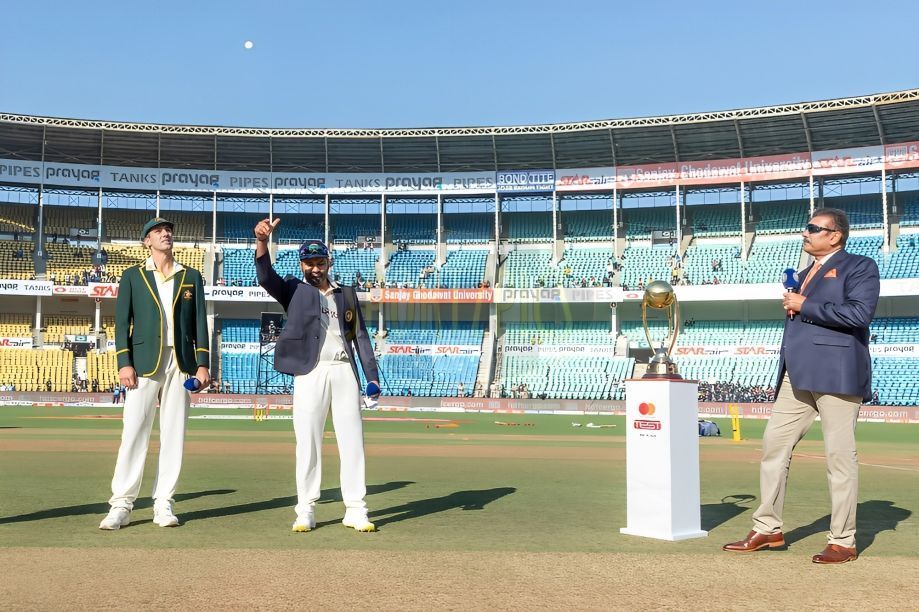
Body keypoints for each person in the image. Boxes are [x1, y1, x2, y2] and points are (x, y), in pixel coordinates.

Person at [723, 208, 880, 564]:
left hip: (838, 374)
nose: (805, 233)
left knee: (839, 457)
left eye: (813, 228)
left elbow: (859, 314)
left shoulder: (860, 266)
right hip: (797, 374)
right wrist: (802, 302)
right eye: (806, 227)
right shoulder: (805, 272)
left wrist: (805, 303)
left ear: (835, 235)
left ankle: (843, 539)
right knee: (773, 447)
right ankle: (767, 528)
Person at [254, 218, 380, 533]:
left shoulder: (347, 294)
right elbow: (265, 276)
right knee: (307, 442)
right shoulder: (292, 289)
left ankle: (355, 509)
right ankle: (306, 509)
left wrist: (371, 377)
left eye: (319, 262)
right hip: (309, 372)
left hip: (343, 371)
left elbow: (360, 337)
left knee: (352, 442)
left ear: (328, 263)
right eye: (308, 263)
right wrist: (261, 242)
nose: (314, 268)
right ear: (301, 264)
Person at [98, 217, 210, 531]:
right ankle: (121, 504)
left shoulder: (191, 276)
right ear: (147, 240)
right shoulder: (133, 276)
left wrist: (202, 365)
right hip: (144, 361)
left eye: (168, 230)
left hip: (181, 363)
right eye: (158, 231)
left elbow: (200, 322)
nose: (165, 234)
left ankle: (164, 503)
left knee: (174, 434)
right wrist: (124, 362)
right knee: (133, 432)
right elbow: (122, 324)